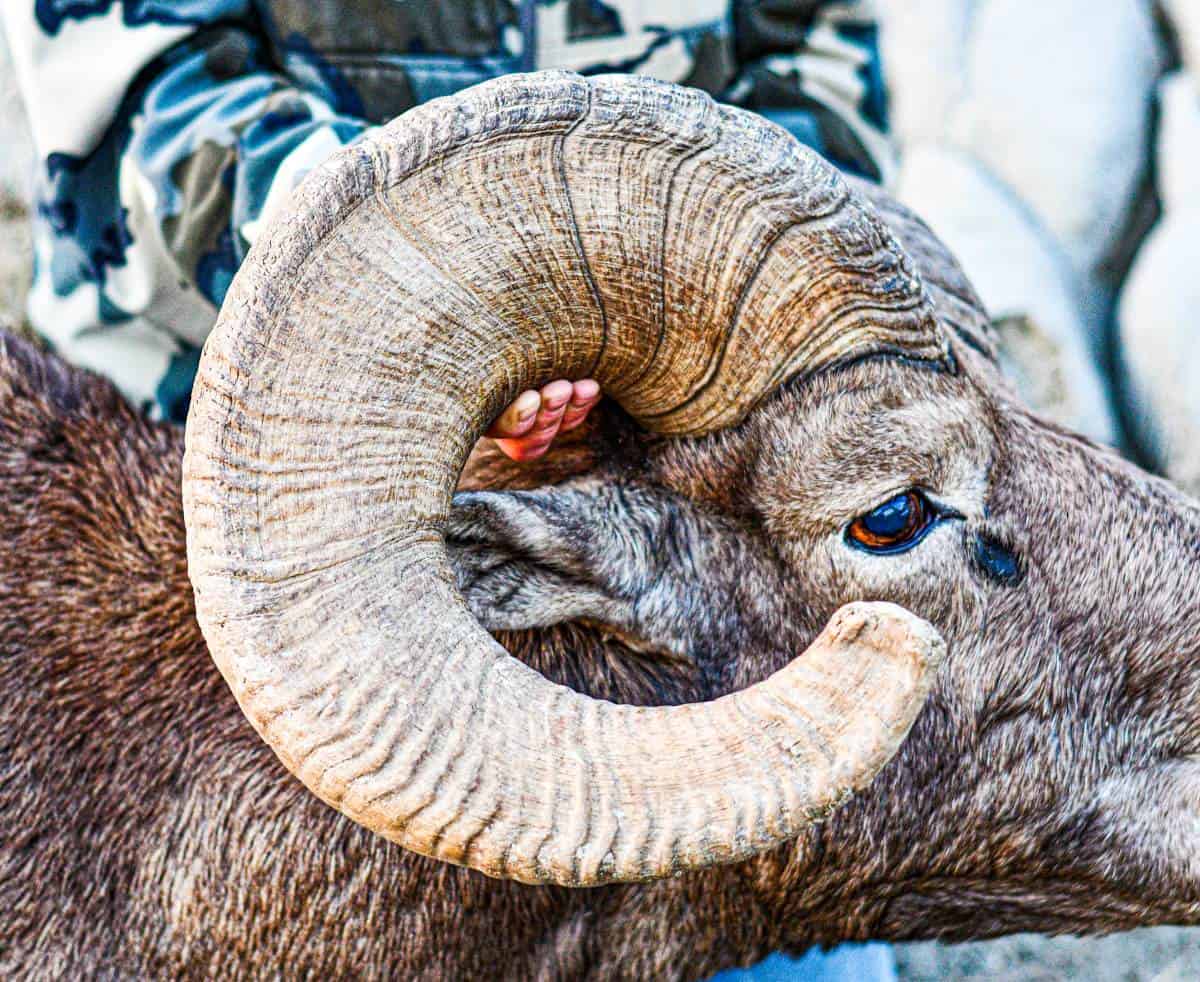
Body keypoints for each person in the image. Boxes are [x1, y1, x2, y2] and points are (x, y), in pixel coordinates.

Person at [1, 2, 896, 976]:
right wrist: (453, 300)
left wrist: (701, 295)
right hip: (231, 478)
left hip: (678, 481)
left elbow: (813, 60)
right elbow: (146, 99)